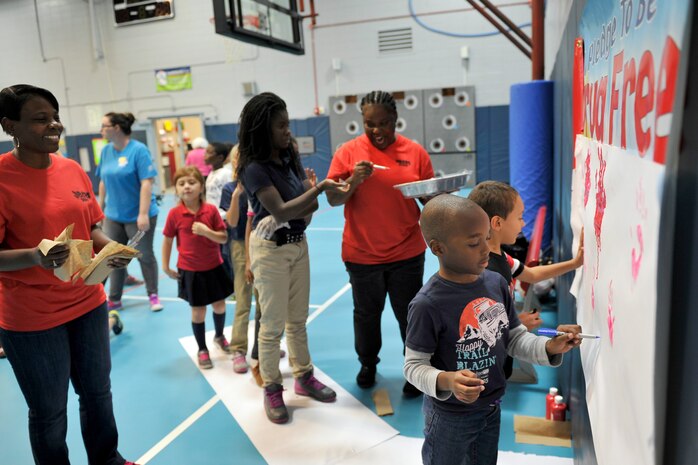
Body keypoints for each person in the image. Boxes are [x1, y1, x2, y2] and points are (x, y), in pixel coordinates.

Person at [0, 84, 139, 465]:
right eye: (40, 119)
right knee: (49, 412)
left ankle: (107, 458)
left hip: (87, 304)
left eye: (55, 117)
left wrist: (108, 247)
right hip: (32, 319)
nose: (54, 126)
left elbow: (90, 226)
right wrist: (34, 256)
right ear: (9, 125)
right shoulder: (1, 178)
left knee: (97, 393)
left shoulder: (73, 169)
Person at [404, 194, 583, 465]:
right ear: (438, 248)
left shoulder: (497, 282)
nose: (486, 249)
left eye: (487, 238)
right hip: (450, 416)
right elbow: (414, 367)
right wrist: (449, 380)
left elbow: (513, 337)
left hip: (491, 407)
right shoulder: (427, 304)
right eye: (474, 243)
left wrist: (548, 347)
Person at [237, 92, 348, 423]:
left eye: (289, 124)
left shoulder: (289, 154)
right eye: (281, 126)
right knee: (271, 326)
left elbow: (307, 207)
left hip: (298, 243)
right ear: (262, 130)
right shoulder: (253, 169)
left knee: (297, 320)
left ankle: (303, 377)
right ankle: (272, 388)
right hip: (269, 251)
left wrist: (311, 194)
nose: (288, 132)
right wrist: (320, 187)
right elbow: (283, 208)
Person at [326, 90, 435, 397]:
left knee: (410, 314)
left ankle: (414, 369)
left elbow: (431, 200)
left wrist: (431, 197)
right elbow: (334, 198)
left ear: (395, 121)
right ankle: (368, 364)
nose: (377, 130)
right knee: (366, 315)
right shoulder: (347, 153)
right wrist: (354, 181)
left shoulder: (415, 153)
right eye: (369, 124)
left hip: (407, 252)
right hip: (362, 254)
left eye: (384, 123)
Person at [162, 166, 234, 369]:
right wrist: (166, 266)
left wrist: (206, 231)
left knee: (220, 306)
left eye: (191, 182)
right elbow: (167, 241)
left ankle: (219, 336)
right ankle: (202, 349)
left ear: (201, 186)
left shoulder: (211, 210)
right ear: (176, 188)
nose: (187, 187)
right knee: (198, 312)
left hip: (214, 267)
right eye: (181, 183)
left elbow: (223, 237)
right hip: (190, 270)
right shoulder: (174, 214)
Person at [97, 111, 163, 312]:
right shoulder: (106, 151)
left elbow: (146, 183)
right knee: (112, 256)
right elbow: (102, 181)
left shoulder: (138, 150)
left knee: (144, 255)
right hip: (114, 216)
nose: (101, 130)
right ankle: (114, 298)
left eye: (104, 126)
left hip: (138, 215)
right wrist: (100, 210)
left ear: (116, 128)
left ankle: (153, 294)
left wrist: (143, 214)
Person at [221, 148, 253, 373]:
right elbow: (231, 222)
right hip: (240, 245)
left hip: (262, 243)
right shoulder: (229, 188)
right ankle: (238, 349)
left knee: (265, 299)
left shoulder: (259, 182)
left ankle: (262, 345)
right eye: (237, 158)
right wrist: (236, 196)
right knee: (243, 298)